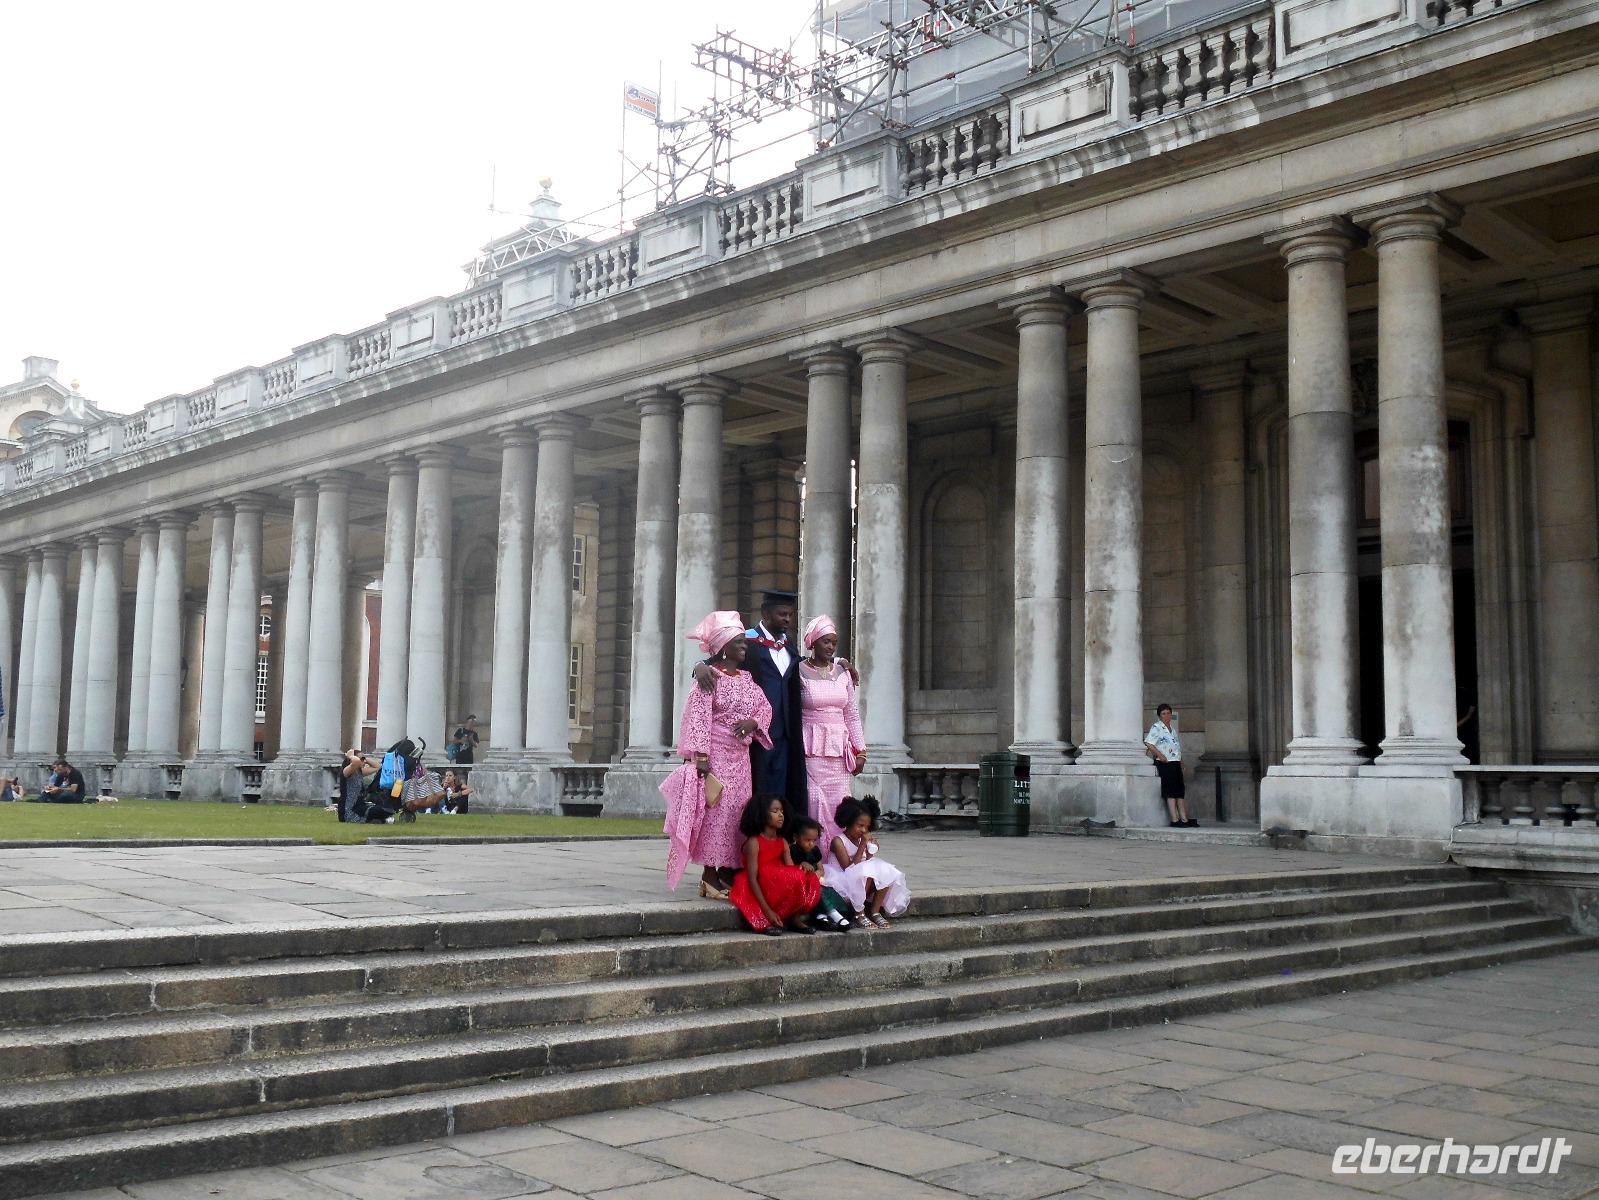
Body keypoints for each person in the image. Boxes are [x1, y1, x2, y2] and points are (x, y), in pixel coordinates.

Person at [660, 612, 774, 899]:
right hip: (716, 756)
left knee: (737, 815)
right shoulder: (709, 678)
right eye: (738, 642)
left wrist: (753, 722)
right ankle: (709, 875)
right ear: (724, 646)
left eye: (744, 641)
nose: (744, 646)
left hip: (741, 759)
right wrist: (700, 757)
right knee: (715, 816)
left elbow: (764, 707)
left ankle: (724, 872)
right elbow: (698, 717)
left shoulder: (747, 679)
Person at [797, 615, 866, 852]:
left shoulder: (843, 673)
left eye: (834, 643)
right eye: (825, 641)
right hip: (811, 749)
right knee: (815, 802)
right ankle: (817, 857)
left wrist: (861, 751)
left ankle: (841, 857)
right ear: (812, 642)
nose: (830, 647)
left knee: (840, 804)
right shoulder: (798, 671)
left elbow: (852, 715)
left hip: (839, 751)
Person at [727, 795, 822, 936]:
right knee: (791, 877)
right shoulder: (754, 842)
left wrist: (802, 865)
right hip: (757, 883)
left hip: (776, 882)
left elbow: (792, 869)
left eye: (782, 811)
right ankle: (767, 917)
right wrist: (768, 911)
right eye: (775, 811)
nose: (781, 815)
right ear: (762, 814)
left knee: (808, 877)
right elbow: (752, 878)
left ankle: (794, 918)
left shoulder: (782, 841)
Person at [825, 796, 910, 926]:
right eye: (860, 826)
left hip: (861, 880)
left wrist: (870, 852)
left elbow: (868, 863)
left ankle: (875, 911)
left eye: (867, 827)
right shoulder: (838, 841)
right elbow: (849, 868)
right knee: (865, 872)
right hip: (842, 881)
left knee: (884, 871)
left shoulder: (861, 840)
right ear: (849, 822)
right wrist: (862, 846)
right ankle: (859, 913)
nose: (864, 830)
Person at [788, 815, 853, 931]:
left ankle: (822, 917)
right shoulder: (792, 851)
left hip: (816, 879)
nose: (811, 844)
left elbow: (821, 869)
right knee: (818, 891)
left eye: (814, 840)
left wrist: (818, 873)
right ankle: (835, 916)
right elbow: (790, 869)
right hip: (802, 884)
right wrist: (801, 865)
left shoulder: (815, 851)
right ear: (796, 837)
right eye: (807, 840)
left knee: (826, 891)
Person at [1145, 703, 1196, 827]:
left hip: (1175, 761)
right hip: (1165, 763)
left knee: (1180, 790)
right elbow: (1149, 743)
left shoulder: (1172, 729)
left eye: (1168, 713)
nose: (1166, 716)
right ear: (1159, 716)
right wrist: (1160, 755)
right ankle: (1174, 819)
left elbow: (1176, 747)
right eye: (1163, 714)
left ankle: (1184, 818)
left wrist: (1181, 761)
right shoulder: (1157, 727)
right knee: (1171, 790)